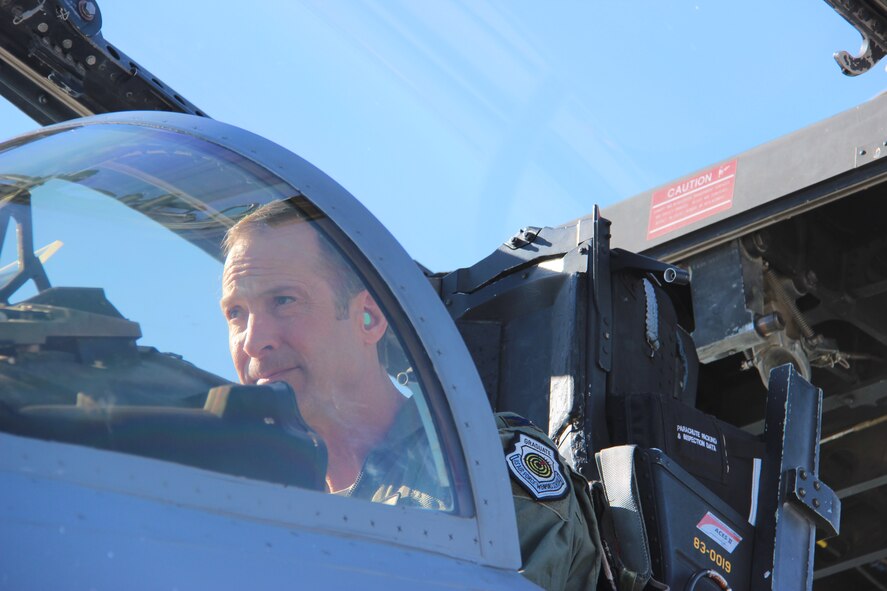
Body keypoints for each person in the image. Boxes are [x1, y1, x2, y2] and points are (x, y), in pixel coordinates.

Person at [220, 199, 600, 590]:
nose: (252, 341)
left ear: (368, 317)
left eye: (283, 301)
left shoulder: (481, 471)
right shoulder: (265, 523)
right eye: (236, 313)